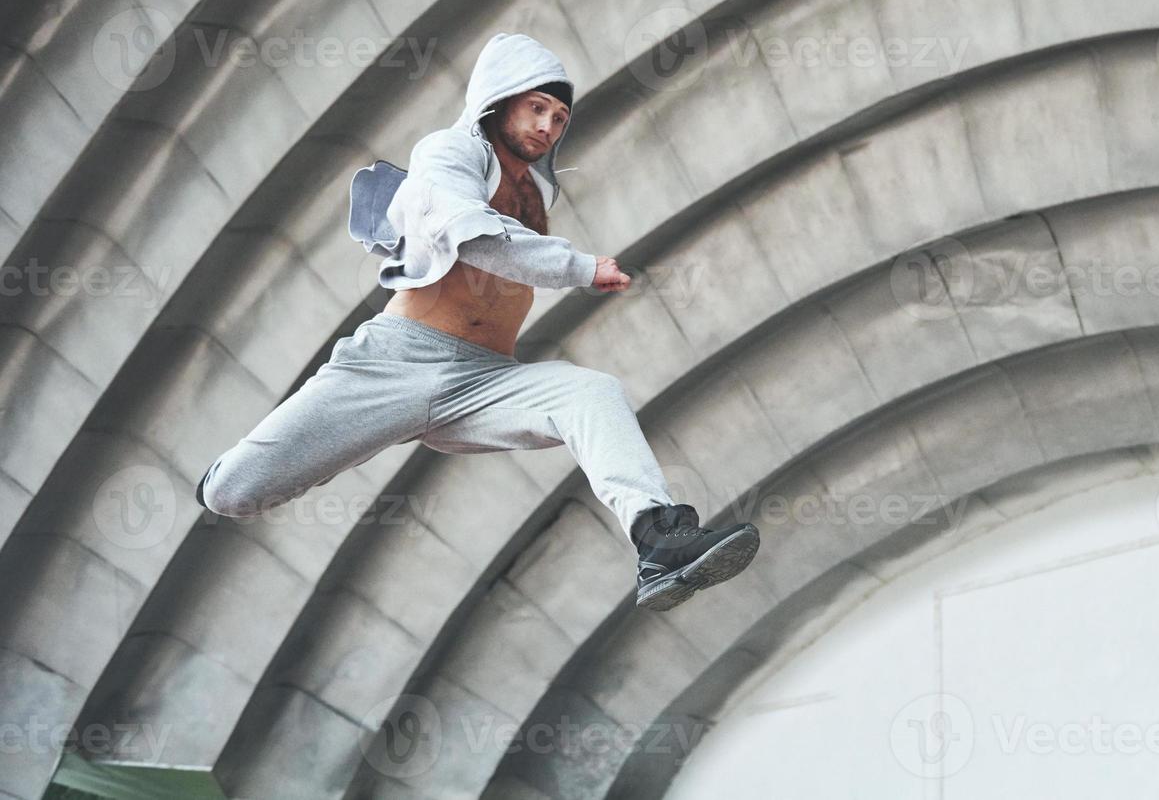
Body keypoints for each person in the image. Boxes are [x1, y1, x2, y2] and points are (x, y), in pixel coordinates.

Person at [195, 32, 759, 612]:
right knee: (234, 493)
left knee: (590, 392)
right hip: (399, 363)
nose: (547, 125)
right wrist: (580, 267)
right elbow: (478, 238)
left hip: (482, 379)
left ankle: (658, 538)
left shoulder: (536, 192)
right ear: (500, 100)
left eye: (560, 117)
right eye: (536, 108)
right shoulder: (448, 152)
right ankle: (240, 464)